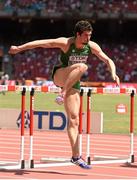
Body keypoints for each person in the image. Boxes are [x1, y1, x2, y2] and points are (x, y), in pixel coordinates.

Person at [9, 20, 120, 169]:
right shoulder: (66, 43)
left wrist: (114, 73)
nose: (88, 39)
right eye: (86, 35)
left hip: (73, 81)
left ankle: (75, 156)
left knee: (74, 120)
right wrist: (19, 48)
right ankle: (62, 92)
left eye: (90, 35)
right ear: (77, 34)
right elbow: (42, 43)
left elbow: (107, 59)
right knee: (82, 66)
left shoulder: (91, 46)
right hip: (60, 75)